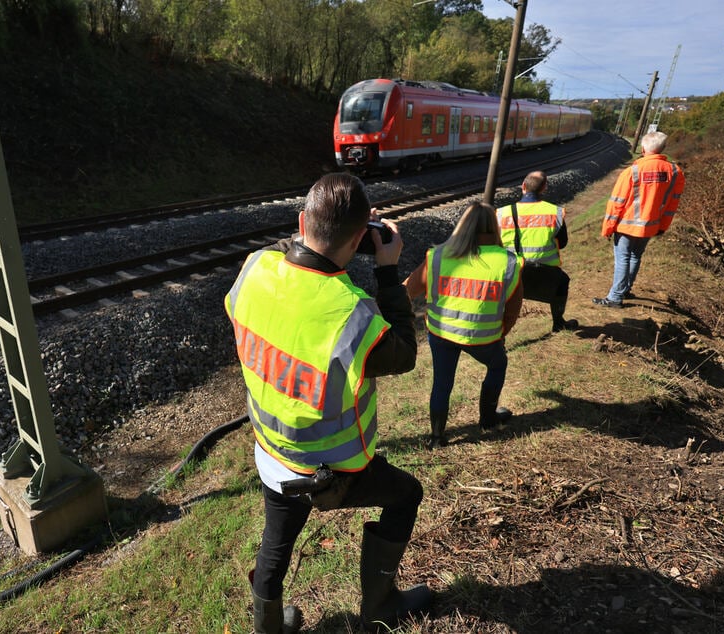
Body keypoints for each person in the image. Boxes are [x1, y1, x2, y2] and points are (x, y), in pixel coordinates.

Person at [224, 173, 431, 634]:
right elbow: (405, 352)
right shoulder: (353, 314)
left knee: (276, 543)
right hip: (335, 472)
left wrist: (334, 231)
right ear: (360, 237)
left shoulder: (255, 268)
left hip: (273, 453)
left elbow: (287, 249)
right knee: (407, 496)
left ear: (301, 222)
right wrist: (385, 268)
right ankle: (381, 606)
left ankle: (269, 628)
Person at [404, 201, 523, 450]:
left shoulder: (436, 256)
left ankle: (436, 437)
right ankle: (488, 422)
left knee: (442, 382)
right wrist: (500, 334)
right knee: (498, 364)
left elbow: (408, 290)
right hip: (483, 338)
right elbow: (512, 312)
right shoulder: (508, 263)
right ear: (494, 228)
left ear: (462, 225)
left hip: (441, 332)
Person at [593, 130, 686, 307]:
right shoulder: (675, 172)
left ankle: (615, 298)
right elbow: (672, 203)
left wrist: (608, 227)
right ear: (662, 149)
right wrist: (663, 226)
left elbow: (616, 203)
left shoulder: (632, 172)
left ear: (643, 148)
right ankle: (625, 289)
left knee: (623, 258)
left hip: (626, 225)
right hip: (651, 225)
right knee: (635, 256)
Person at [496, 170, 578, 332]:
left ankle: (499, 332)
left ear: (523, 186)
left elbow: (495, 244)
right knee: (563, 281)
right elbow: (563, 243)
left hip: (512, 274)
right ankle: (558, 323)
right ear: (544, 188)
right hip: (545, 275)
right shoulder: (555, 212)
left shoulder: (501, 213)